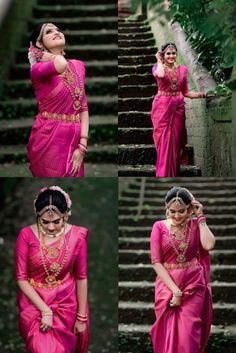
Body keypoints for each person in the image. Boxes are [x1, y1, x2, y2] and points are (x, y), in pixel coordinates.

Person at [15, 186, 89, 353]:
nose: (50, 227)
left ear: (65, 215)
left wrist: (82, 317)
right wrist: (45, 311)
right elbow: (21, 278)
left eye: (56, 221)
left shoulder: (77, 236)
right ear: (37, 216)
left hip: (66, 302)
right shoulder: (26, 235)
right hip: (34, 302)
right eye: (45, 221)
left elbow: (81, 277)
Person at [150, 186, 215, 353]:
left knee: (189, 334)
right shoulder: (159, 227)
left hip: (194, 283)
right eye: (172, 211)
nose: (177, 216)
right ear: (166, 208)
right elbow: (157, 262)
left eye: (181, 211)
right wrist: (175, 292)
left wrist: (200, 217)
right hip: (167, 286)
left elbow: (208, 245)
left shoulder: (195, 225)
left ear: (189, 209)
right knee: (167, 333)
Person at [27, 23, 89, 177]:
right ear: (39, 44)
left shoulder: (78, 66)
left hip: (75, 139)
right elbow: (60, 64)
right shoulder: (37, 70)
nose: (56, 32)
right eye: (49, 31)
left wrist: (82, 146)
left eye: (58, 30)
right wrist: (41, 55)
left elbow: (83, 108)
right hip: (48, 137)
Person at [151, 42, 205, 177]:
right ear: (163, 54)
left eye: (173, 53)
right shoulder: (157, 67)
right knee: (164, 141)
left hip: (178, 108)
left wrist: (200, 94)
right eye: (168, 53)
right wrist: (158, 60)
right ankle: (163, 173)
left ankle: (173, 172)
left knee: (175, 143)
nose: (171, 56)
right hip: (162, 107)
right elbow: (161, 76)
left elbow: (186, 92)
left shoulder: (183, 70)